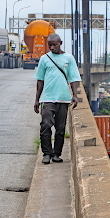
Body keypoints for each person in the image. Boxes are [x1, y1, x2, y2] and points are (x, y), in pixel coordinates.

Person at [34, 34, 81, 164]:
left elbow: (74, 79)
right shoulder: (44, 59)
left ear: (60, 43)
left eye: (55, 45)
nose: (52, 47)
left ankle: (56, 154)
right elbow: (40, 80)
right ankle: (46, 153)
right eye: (50, 45)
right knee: (45, 126)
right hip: (47, 98)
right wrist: (37, 100)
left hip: (63, 98)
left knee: (60, 128)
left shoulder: (69, 58)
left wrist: (75, 96)